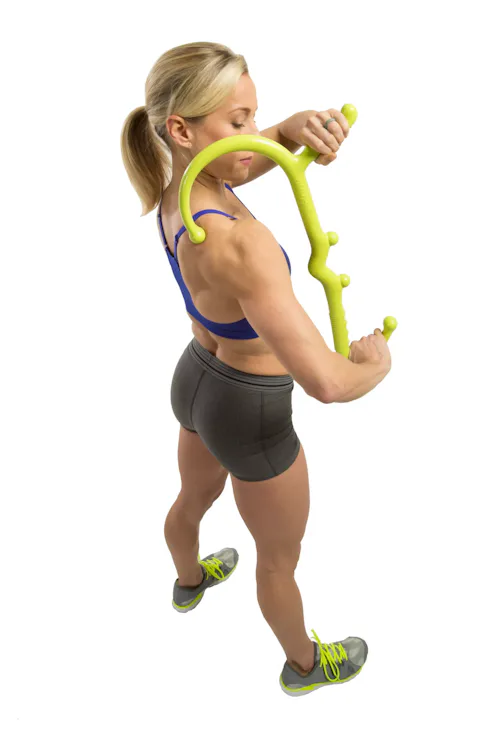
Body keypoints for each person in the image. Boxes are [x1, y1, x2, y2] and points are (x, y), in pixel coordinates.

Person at [120, 41, 392, 696]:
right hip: (252, 413)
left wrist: (288, 131)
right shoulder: (244, 246)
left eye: (254, 116)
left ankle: (189, 581)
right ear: (182, 130)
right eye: (238, 121)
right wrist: (372, 365)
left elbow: (232, 167)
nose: (253, 133)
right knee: (278, 561)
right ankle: (305, 665)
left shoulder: (177, 187)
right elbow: (328, 383)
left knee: (191, 499)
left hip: (196, 380)